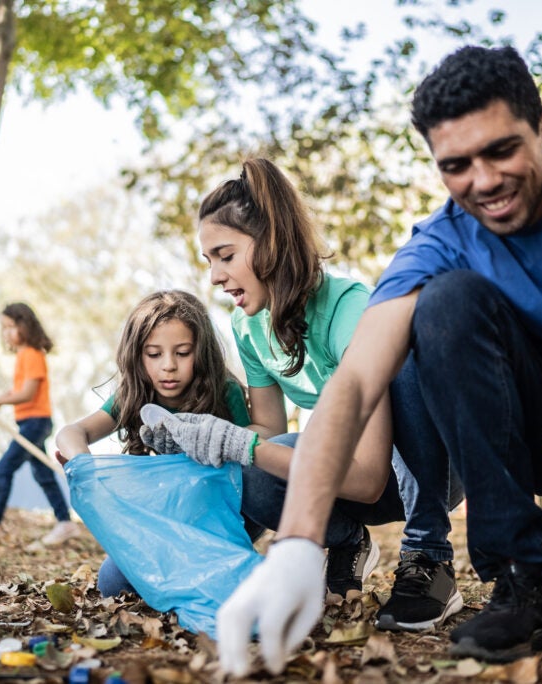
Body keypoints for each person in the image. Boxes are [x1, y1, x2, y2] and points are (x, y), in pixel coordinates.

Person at [213, 45, 542, 675]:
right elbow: (357, 381)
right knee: (442, 303)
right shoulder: (442, 242)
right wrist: (296, 541)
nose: (482, 181)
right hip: (533, 439)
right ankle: (521, 578)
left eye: (501, 150)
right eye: (456, 164)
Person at [140, 157, 464, 607]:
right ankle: (347, 540)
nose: (214, 276)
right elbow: (267, 436)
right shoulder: (248, 326)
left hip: (422, 470)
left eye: (226, 256)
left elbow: (369, 477)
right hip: (346, 469)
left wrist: (243, 446)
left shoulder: (349, 308)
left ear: (271, 242)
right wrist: (199, 436)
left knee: (403, 337)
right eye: (209, 260)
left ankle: (430, 556)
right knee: (250, 473)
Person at [54, 289, 252, 596]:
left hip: (222, 517)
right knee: (112, 582)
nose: (168, 365)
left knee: (220, 582)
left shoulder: (225, 392)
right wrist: (84, 464)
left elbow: (251, 465)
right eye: (154, 354)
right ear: (137, 355)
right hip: (168, 520)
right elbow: (71, 432)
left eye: (183, 353)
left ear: (201, 352)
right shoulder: (134, 394)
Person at [0, 303, 79, 546]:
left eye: (11, 326)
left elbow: (27, 394)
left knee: (4, 468)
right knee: (43, 474)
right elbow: (17, 391)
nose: (6, 333)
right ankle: (65, 522)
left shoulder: (32, 354)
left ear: (25, 326)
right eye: (4, 328)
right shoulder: (25, 356)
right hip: (31, 422)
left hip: (35, 422)